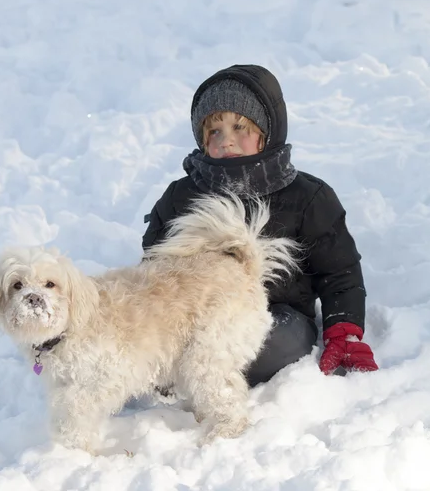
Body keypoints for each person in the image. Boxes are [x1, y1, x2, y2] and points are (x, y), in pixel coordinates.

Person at [142, 64, 378, 385]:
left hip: (275, 316)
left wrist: (344, 331)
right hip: (196, 317)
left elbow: (340, 272)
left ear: (267, 133)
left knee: (275, 342)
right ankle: (180, 371)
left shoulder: (307, 197)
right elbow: (154, 265)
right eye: (214, 131)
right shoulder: (181, 196)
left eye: (240, 127)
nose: (227, 141)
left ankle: (200, 372)